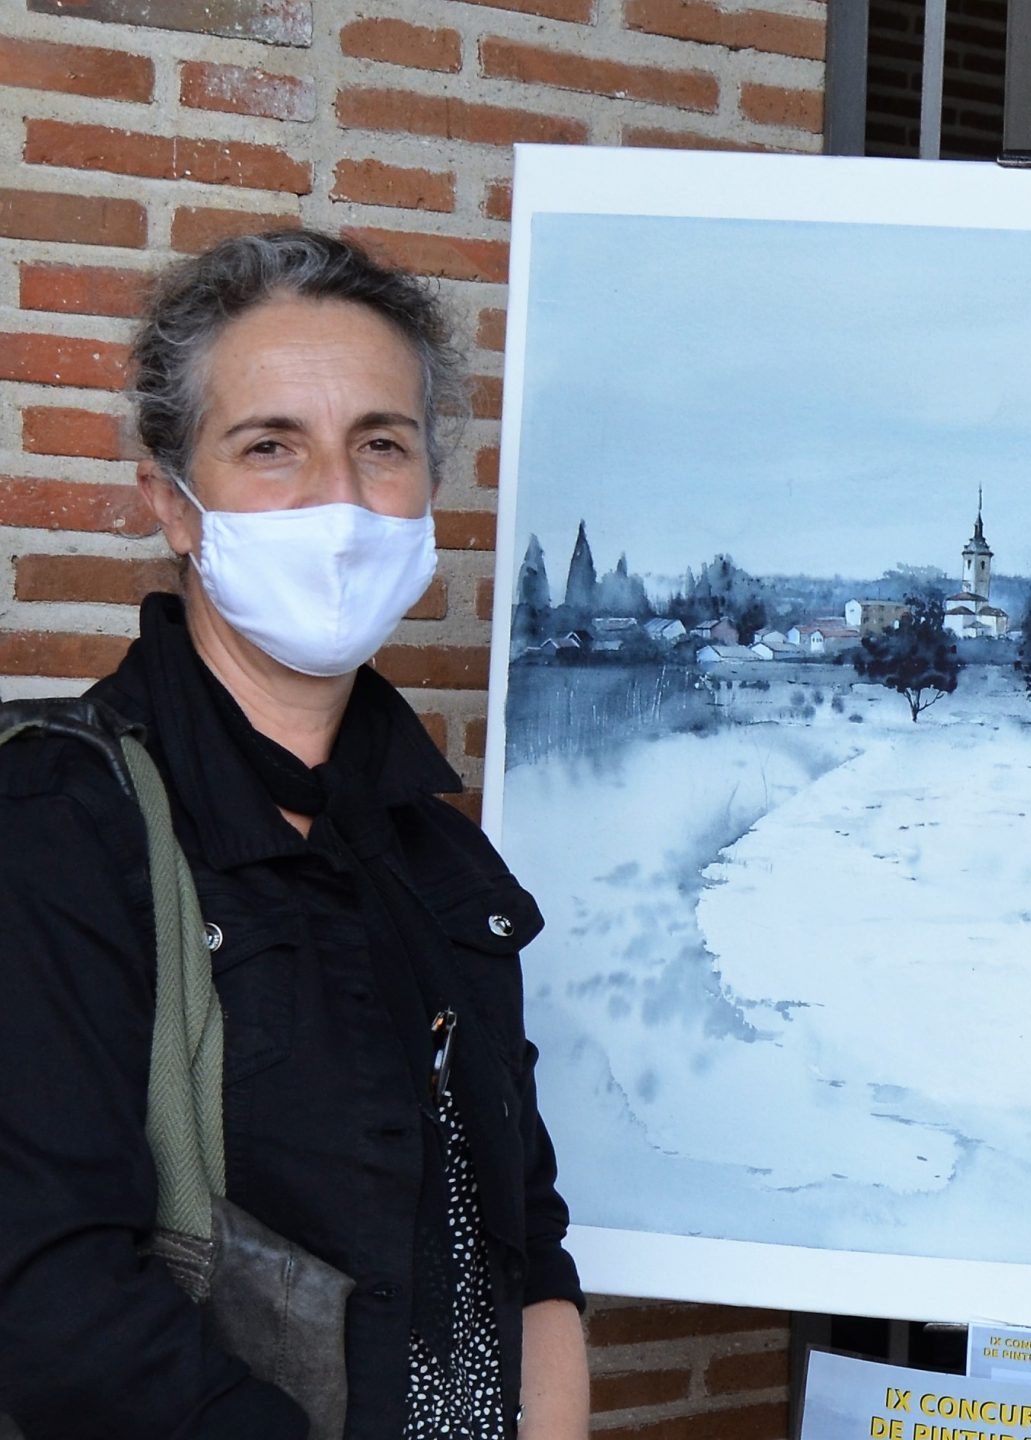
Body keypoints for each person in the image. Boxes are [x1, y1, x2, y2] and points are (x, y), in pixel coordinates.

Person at [0, 231, 591, 1437]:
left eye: (381, 444)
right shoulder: (61, 826)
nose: (338, 496)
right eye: (271, 446)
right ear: (173, 501)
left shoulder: (441, 857)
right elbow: (49, 1302)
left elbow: (526, 1237)